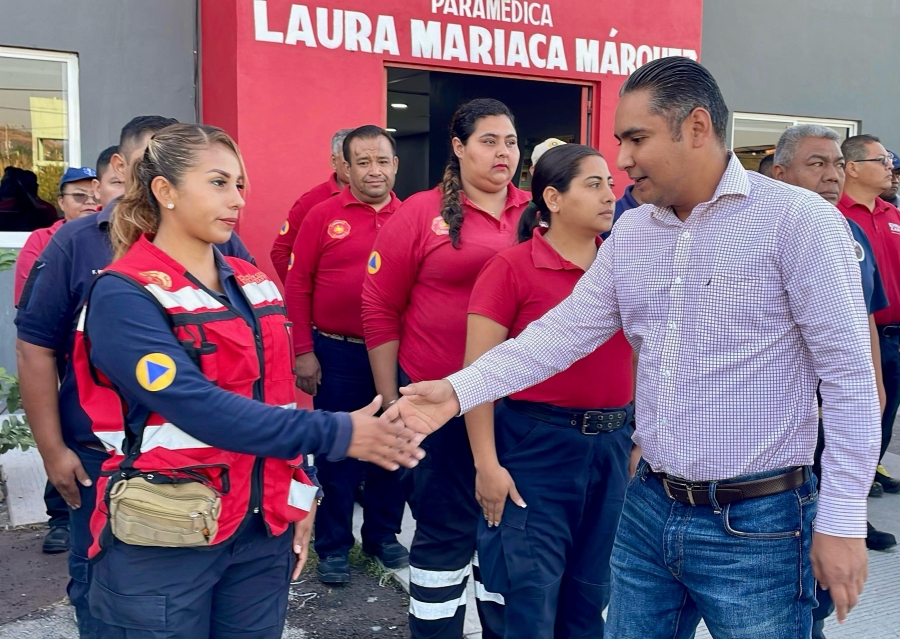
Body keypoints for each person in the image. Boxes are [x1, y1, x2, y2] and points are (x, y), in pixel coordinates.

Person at [386, 58, 878, 638]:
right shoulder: (636, 233)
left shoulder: (799, 224)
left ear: (696, 127)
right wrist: (455, 391)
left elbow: (849, 380)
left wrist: (843, 521)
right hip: (646, 510)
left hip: (758, 526)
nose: (620, 160)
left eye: (635, 139)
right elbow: (557, 335)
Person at [68, 122, 422, 638]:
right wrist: (341, 432)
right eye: (217, 183)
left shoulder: (255, 286)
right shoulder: (125, 293)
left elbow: (278, 406)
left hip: (259, 533)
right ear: (164, 191)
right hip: (167, 531)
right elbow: (197, 406)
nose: (236, 199)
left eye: (239, 184)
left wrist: (301, 495)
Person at [14, 115, 253, 638]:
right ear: (124, 168)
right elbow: (35, 350)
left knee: (192, 601)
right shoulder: (77, 243)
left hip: (200, 463)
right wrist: (53, 451)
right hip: (102, 460)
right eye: (152, 161)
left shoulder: (224, 247)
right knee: (101, 592)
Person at [362, 98, 529, 639]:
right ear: (458, 148)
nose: (502, 152)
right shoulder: (420, 212)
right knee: (444, 532)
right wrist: (392, 403)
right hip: (436, 408)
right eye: (488, 141)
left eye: (509, 141)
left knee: (507, 534)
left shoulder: (535, 212)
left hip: (518, 408)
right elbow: (380, 306)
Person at [466, 143, 634, 638]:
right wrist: (487, 465)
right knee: (529, 598)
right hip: (535, 448)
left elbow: (644, 354)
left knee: (590, 597)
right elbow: (478, 373)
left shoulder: (622, 266)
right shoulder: (511, 269)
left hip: (610, 447)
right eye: (594, 184)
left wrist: (639, 436)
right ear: (553, 199)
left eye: (610, 182)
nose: (611, 194)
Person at [772, 124, 894, 638]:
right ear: (781, 174)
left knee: (834, 498)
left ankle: (815, 609)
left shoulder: (853, 233)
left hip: (843, 400)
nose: (830, 175)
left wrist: (874, 380)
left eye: (836, 165)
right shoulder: (768, 231)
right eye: (816, 164)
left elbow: (863, 310)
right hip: (790, 413)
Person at [284, 124, 407, 585]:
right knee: (337, 452)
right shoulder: (321, 215)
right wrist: (303, 351)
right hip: (335, 354)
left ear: (395, 165)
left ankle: (382, 536)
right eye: (363, 162)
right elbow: (298, 284)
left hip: (395, 357)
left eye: (382, 161)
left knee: (393, 447)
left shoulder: (413, 216)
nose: (373, 171)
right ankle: (333, 544)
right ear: (346, 167)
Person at [836, 134, 900, 497]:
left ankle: (865, 484)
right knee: (845, 425)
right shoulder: (835, 215)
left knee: (885, 417)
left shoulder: (894, 215)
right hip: (854, 340)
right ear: (855, 168)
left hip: (893, 339)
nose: (891, 169)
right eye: (882, 161)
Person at [271, 128, 354, 283]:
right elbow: (281, 252)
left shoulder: (381, 201)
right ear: (334, 162)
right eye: (347, 157)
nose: (354, 164)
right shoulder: (311, 201)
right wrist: (301, 292)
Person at [14, 167, 99, 306]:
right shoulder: (40, 239)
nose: (90, 202)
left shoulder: (116, 238)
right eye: (79, 195)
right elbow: (28, 298)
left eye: (96, 196)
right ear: (61, 202)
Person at [0, 166, 59, 231]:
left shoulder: (47, 209)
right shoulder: (48, 208)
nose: (4, 186)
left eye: (8, 183)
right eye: (4, 183)